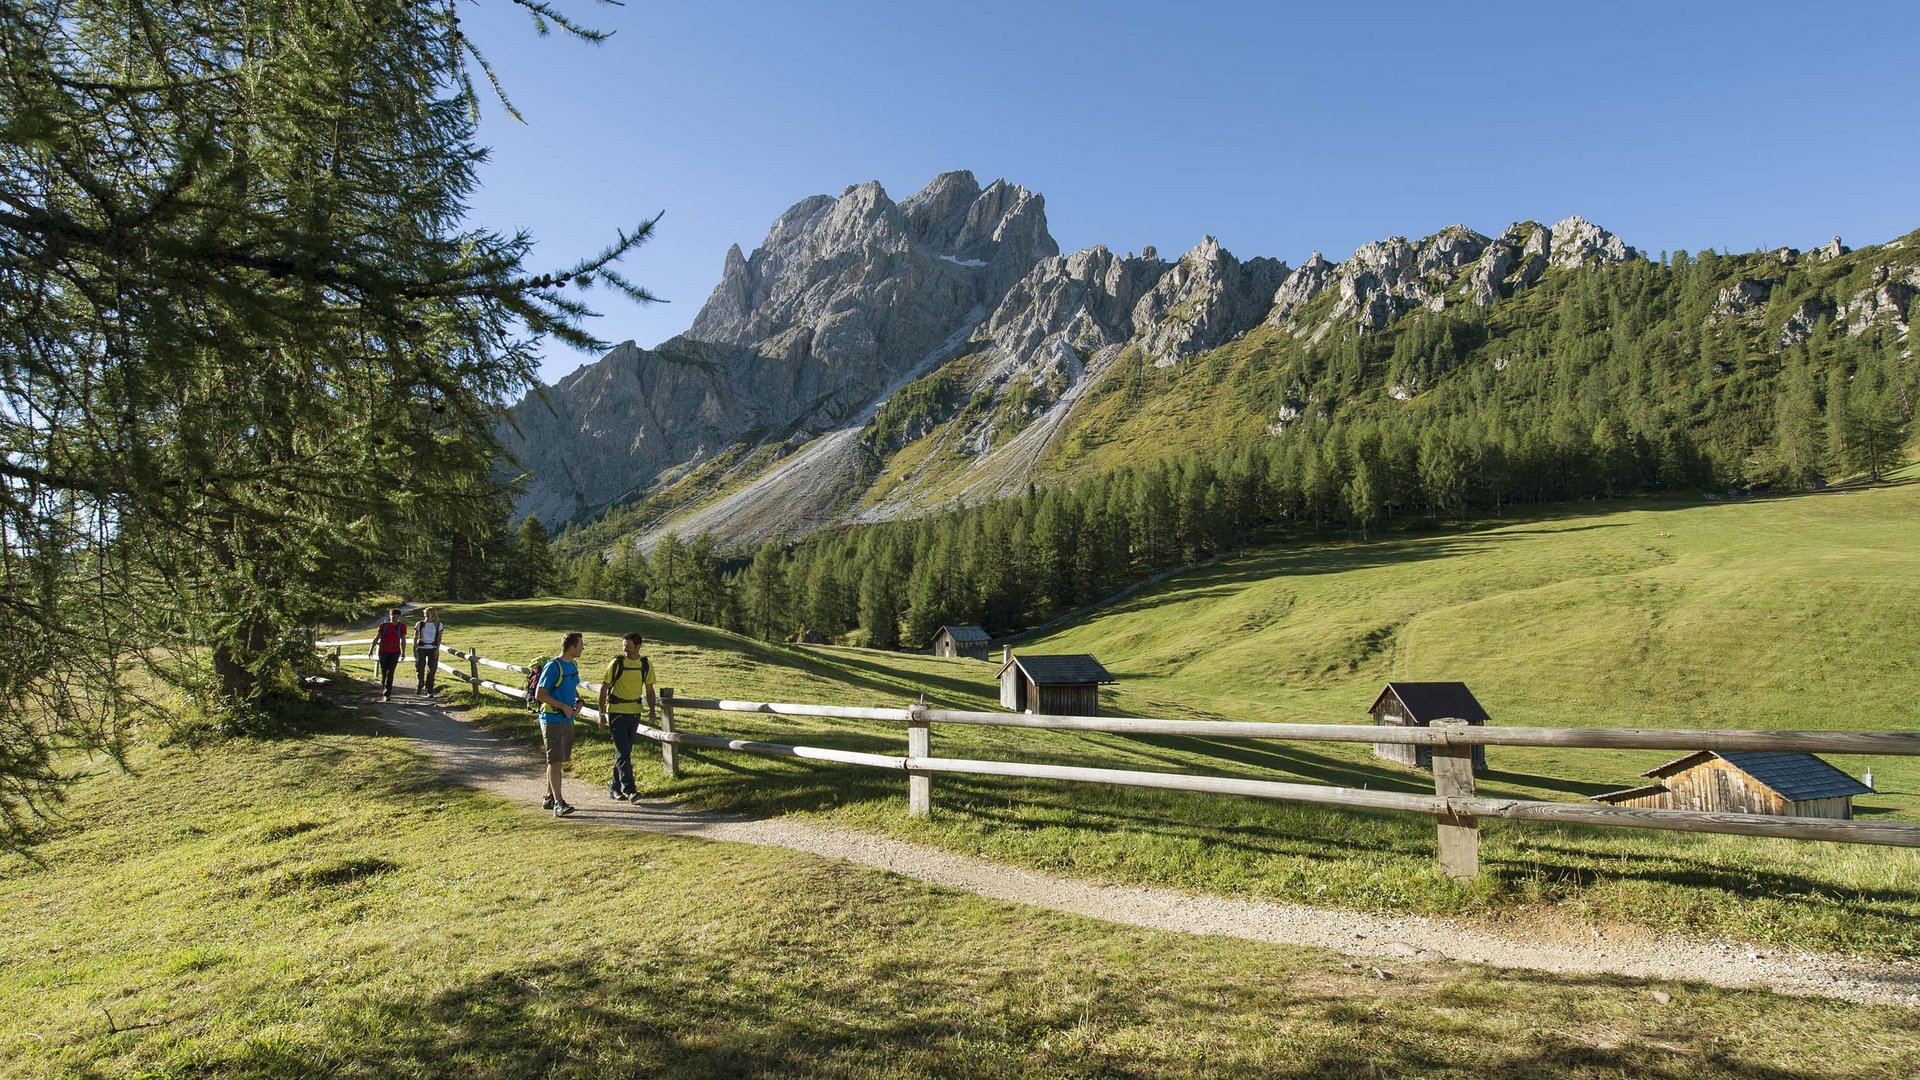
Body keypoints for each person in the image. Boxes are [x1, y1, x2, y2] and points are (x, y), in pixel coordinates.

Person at [597, 632, 657, 802]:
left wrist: (652, 711)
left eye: (629, 648)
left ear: (638, 647)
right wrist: (601, 713)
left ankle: (614, 787)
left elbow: (650, 690)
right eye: (624, 647)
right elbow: (604, 688)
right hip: (616, 712)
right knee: (623, 751)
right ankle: (630, 790)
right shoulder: (616, 663)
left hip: (635, 712)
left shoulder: (645, 664)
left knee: (624, 752)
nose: (625, 650)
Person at [534, 632, 585, 817]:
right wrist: (563, 706)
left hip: (567, 719)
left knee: (557, 761)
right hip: (552, 719)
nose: (583, 648)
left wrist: (578, 700)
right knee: (555, 761)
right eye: (581, 645)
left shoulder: (572, 665)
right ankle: (559, 803)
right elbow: (540, 694)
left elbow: (572, 687)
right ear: (572, 647)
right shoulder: (553, 666)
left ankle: (549, 797)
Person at [368, 608, 407, 701]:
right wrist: (371, 649)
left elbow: (403, 640)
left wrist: (403, 652)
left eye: (397, 617)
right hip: (383, 650)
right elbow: (377, 638)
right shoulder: (383, 626)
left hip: (395, 651)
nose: (395, 619)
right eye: (393, 617)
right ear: (390, 615)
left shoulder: (402, 627)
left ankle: (387, 693)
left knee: (391, 672)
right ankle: (384, 686)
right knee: (384, 671)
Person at [414, 606, 444, 695]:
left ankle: (429, 690)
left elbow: (439, 638)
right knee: (420, 668)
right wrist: (415, 648)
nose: (426, 615)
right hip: (421, 648)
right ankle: (420, 684)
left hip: (432, 648)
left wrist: (437, 649)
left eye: (428, 613)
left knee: (432, 670)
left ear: (433, 614)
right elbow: (415, 637)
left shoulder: (438, 625)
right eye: (425, 613)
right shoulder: (420, 624)